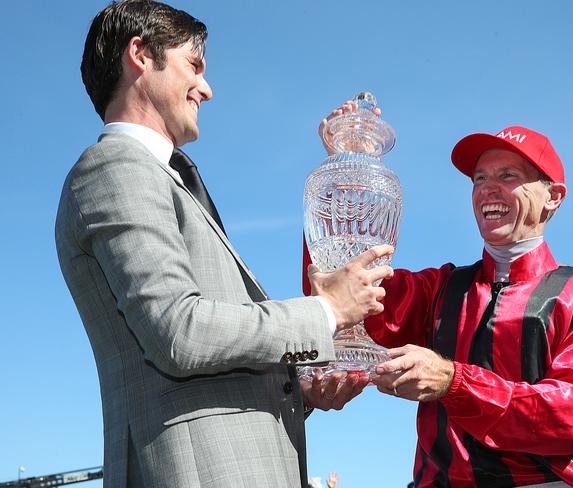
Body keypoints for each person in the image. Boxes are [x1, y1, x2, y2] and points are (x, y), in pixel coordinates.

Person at [55, 1, 391, 487]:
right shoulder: (115, 168)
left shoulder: (172, 179)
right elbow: (178, 332)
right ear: (140, 55)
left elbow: (211, 347)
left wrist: (298, 386)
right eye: (194, 65)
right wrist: (324, 313)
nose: (207, 89)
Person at [361, 124, 573, 486]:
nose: (487, 189)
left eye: (508, 175)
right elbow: (351, 291)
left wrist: (453, 382)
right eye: (478, 178)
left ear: (553, 196)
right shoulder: (440, 288)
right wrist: (351, 169)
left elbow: (571, 417)